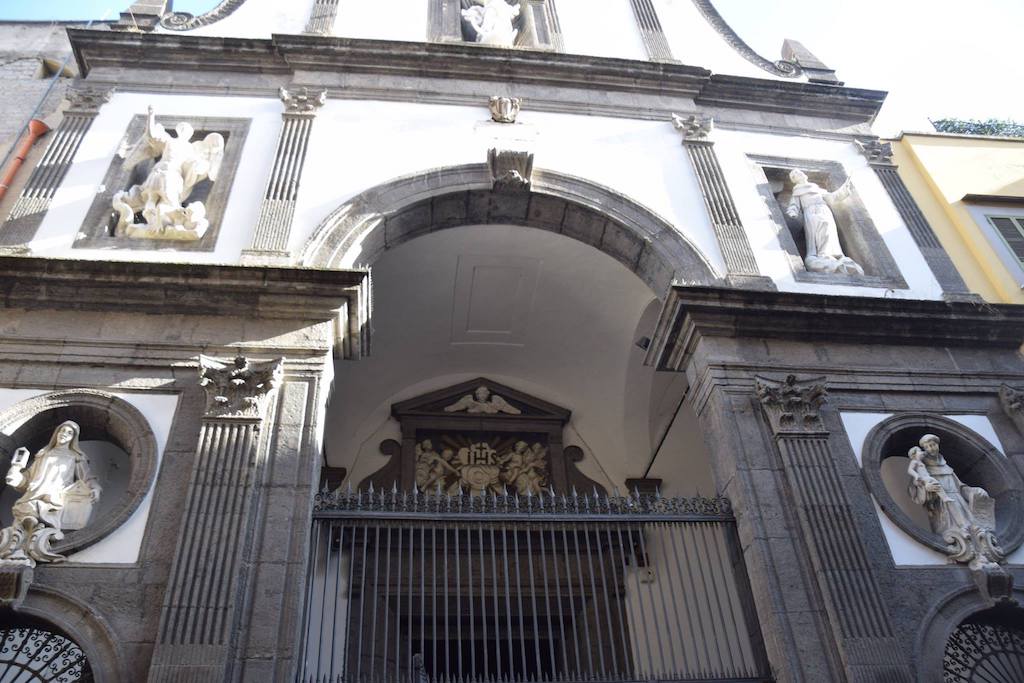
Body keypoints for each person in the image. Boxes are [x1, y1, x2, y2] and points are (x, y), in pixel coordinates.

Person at [6, 421, 101, 531]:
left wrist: (95, 488)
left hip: (55, 497)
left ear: (73, 438)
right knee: (22, 522)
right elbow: (28, 479)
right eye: (62, 430)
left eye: (69, 433)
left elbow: (87, 477)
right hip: (32, 495)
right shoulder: (43, 454)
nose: (64, 434)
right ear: (57, 433)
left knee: (44, 522)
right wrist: (16, 476)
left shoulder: (76, 457)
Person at [785, 169, 864, 275]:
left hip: (824, 210)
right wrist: (792, 211)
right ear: (794, 180)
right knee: (819, 232)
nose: (799, 173)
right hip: (811, 212)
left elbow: (832, 197)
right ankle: (821, 254)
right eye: (795, 174)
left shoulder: (816, 188)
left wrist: (844, 189)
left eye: (799, 172)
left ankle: (834, 255)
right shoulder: (797, 190)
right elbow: (794, 204)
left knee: (829, 231)